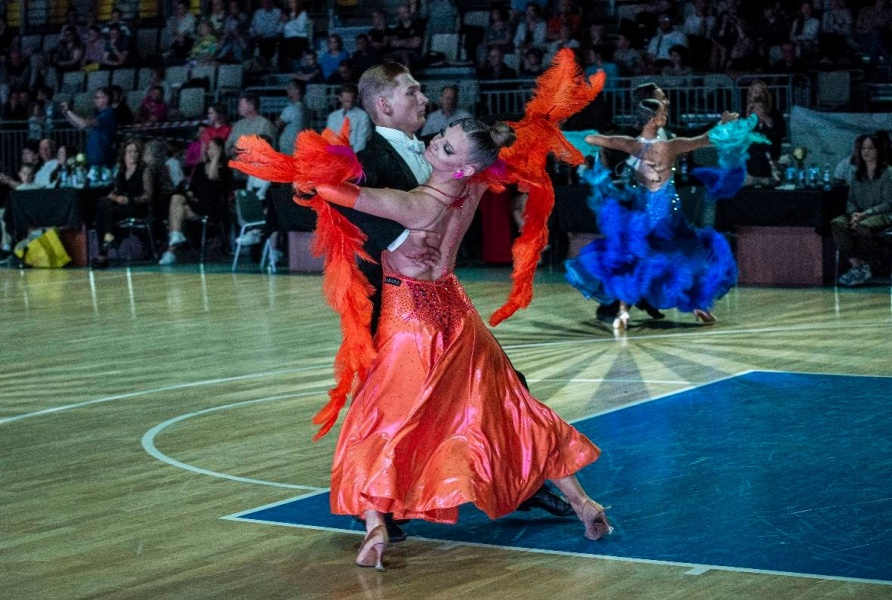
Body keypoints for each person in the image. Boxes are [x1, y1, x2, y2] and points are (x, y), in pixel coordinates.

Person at [234, 116, 613, 571]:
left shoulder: (416, 205)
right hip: (458, 312)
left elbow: (333, 191)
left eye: (448, 148)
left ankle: (375, 525)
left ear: (463, 167)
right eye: (442, 137)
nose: (435, 144)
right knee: (512, 410)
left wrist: (299, 170)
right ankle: (583, 502)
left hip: (411, 321)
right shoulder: (472, 187)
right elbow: (497, 148)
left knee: (374, 421)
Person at [569, 101, 751, 329]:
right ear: (653, 119)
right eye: (662, 113)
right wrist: (724, 124)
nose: (666, 116)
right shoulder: (670, 146)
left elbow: (595, 139)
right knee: (689, 255)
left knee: (633, 259)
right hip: (667, 216)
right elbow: (705, 139)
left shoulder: (631, 144)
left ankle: (623, 313)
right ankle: (698, 305)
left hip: (643, 215)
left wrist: (561, 134)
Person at [832, 133, 892, 286]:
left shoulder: (888, 173)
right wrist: (854, 214)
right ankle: (857, 264)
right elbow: (850, 200)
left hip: (882, 214)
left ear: (878, 150)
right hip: (859, 213)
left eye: (870, 148)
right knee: (837, 223)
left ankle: (869, 263)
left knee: (863, 226)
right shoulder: (856, 174)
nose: (866, 152)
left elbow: (888, 202)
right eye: (863, 148)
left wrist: (865, 214)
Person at [159, 138, 231, 265]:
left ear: (220, 150)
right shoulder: (200, 167)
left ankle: (171, 251)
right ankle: (176, 235)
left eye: (213, 148)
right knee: (176, 198)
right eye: (209, 148)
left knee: (178, 212)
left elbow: (213, 177)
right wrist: (190, 194)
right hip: (197, 203)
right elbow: (192, 188)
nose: (210, 151)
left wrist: (215, 158)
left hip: (213, 207)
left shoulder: (226, 168)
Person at [92, 138, 154, 268]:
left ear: (139, 153)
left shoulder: (144, 170)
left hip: (137, 207)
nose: (132, 154)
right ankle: (107, 243)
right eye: (129, 151)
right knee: (103, 204)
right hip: (120, 207)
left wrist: (129, 200)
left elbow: (148, 196)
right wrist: (113, 196)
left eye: (135, 151)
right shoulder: (121, 171)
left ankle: (103, 253)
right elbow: (116, 190)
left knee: (104, 213)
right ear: (124, 154)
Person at [60, 87, 117, 168]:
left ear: (106, 99)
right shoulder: (99, 114)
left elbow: (84, 124)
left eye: (97, 97)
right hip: (94, 159)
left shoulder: (108, 113)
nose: (94, 100)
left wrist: (68, 111)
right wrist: (66, 114)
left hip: (102, 160)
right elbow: (78, 125)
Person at [743, 80, 785, 185]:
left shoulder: (775, 114)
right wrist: (749, 114)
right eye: (755, 92)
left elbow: (778, 132)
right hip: (750, 165)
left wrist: (764, 116)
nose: (758, 95)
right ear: (750, 95)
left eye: (760, 92)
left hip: (769, 164)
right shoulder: (743, 115)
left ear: (765, 95)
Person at [225, 93, 277, 159]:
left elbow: (270, 149)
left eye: (241, 105)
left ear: (251, 106)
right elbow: (228, 146)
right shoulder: (238, 125)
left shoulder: (265, 124)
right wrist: (233, 150)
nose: (239, 108)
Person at [325, 83, 372, 153]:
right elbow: (329, 138)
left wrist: (350, 154)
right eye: (346, 101)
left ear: (355, 99)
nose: (349, 104)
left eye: (352, 101)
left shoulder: (363, 116)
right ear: (340, 98)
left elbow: (361, 141)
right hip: (335, 153)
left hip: (355, 154)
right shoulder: (333, 116)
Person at [277, 80, 307, 156]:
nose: (287, 89)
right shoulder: (305, 108)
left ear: (297, 90)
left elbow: (277, 125)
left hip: (289, 148)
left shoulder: (291, 109)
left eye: (290, 87)